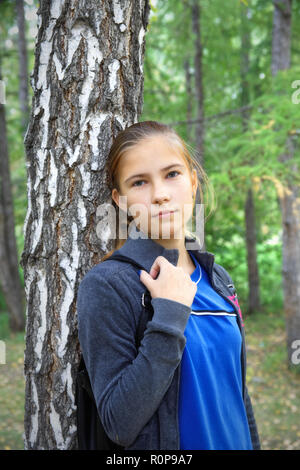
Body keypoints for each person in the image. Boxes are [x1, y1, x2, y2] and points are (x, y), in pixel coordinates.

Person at [76, 120, 260, 450]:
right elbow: (119, 423)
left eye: (172, 174)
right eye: (140, 182)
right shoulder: (109, 286)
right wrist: (169, 318)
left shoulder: (219, 280)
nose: (160, 194)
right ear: (121, 201)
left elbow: (237, 395)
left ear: (192, 181)